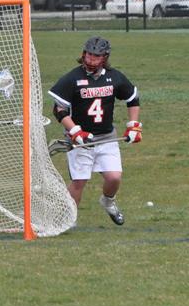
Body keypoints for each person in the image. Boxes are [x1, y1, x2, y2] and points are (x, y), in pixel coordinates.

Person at [47, 36, 142, 226]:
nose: (91, 59)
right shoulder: (73, 78)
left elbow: (132, 98)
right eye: (89, 55)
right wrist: (75, 131)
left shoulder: (114, 77)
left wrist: (134, 125)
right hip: (80, 141)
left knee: (114, 177)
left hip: (107, 137)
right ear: (83, 54)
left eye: (96, 56)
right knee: (79, 181)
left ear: (105, 57)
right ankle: (69, 218)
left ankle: (108, 201)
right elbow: (59, 109)